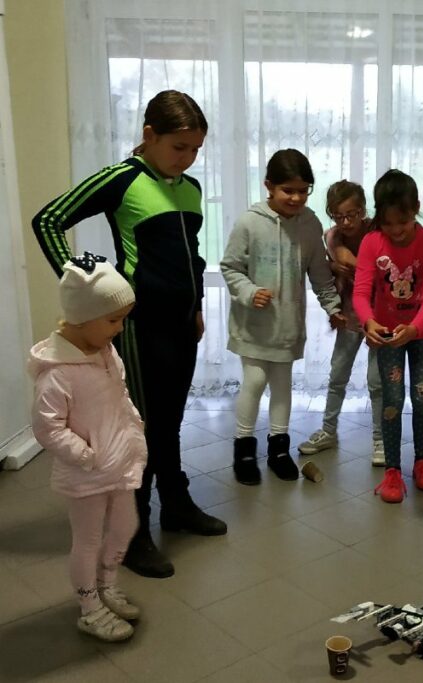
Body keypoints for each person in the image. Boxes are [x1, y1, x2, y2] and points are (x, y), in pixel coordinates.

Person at [32, 90, 225, 579]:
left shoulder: (190, 187)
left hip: (182, 323)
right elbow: (48, 220)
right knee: (138, 427)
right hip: (140, 327)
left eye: (196, 149)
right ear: (149, 135)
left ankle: (177, 506)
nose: (188, 158)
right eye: (179, 147)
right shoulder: (122, 178)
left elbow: (191, 256)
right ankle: (133, 533)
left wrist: (197, 307)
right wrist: (86, 287)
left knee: (171, 421)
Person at [28, 254, 145, 641]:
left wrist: (133, 424)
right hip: (86, 473)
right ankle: (89, 608)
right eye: (113, 320)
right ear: (82, 318)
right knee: (88, 540)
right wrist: (86, 455)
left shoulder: (105, 352)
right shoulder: (57, 374)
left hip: (119, 460)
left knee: (126, 526)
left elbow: (119, 395)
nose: (120, 328)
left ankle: (107, 583)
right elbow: (48, 428)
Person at [221, 149, 343, 485]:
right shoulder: (249, 222)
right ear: (269, 186)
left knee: (282, 385)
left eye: (304, 190)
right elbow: (230, 267)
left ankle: (278, 450)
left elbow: (320, 274)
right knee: (255, 381)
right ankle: (244, 450)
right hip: (253, 325)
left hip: (288, 325)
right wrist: (249, 291)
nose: (296, 198)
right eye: (288, 190)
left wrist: (333, 307)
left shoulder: (310, 224)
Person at [352, 170, 423, 503]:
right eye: (388, 223)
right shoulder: (371, 242)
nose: (395, 230)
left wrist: (415, 328)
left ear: (416, 208)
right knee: (392, 399)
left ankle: (422, 461)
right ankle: (392, 470)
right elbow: (361, 292)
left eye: (402, 222)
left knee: (422, 397)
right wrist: (368, 322)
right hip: (388, 335)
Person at [298, 181, 385, 465]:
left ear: (363, 210)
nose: (346, 222)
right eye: (338, 216)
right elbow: (326, 261)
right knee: (337, 375)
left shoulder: (377, 231)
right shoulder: (333, 235)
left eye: (352, 214)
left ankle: (380, 439)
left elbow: (370, 269)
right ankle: (329, 430)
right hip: (348, 315)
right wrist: (332, 265)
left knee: (377, 383)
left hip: (379, 318)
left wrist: (345, 263)